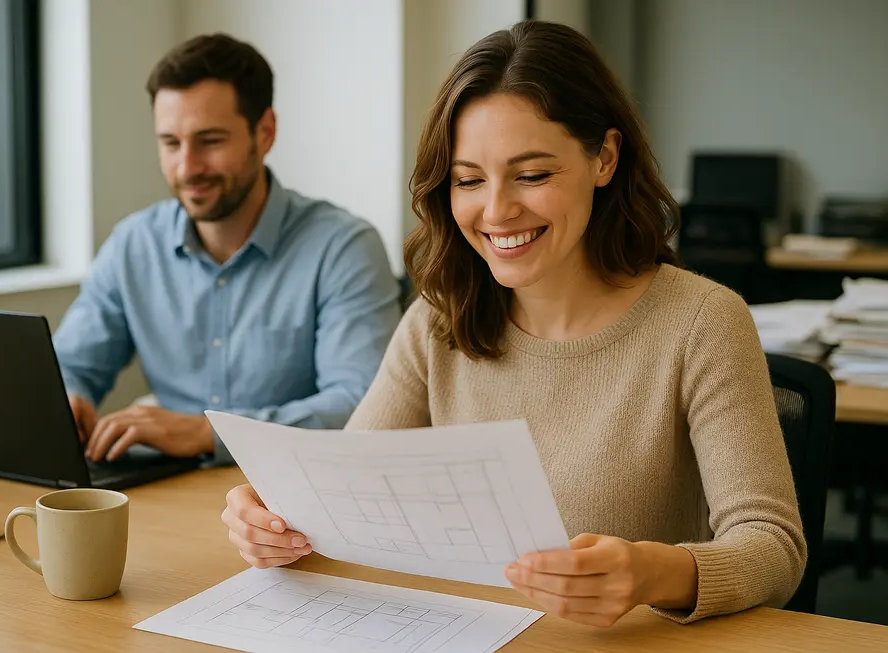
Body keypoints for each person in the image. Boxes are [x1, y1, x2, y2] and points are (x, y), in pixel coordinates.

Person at [220, 20, 807, 626]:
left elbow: (773, 547)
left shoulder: (703, 322)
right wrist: (273, 519)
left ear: (604, 158)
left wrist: (651, 573)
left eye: (532, 175)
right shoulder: (438, 320)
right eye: (469, 180)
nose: (497, 211)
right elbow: (343, 498)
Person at [53, 34, 401, 465]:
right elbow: (69, 365)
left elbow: (359, 406)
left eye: (210, 141)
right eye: (170, 143)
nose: (186, 167)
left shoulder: (342, 247)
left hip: (289, 499)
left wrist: (206, 432)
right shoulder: (133, 244)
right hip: (168, 489)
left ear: (265, 131)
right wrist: (68, 398)